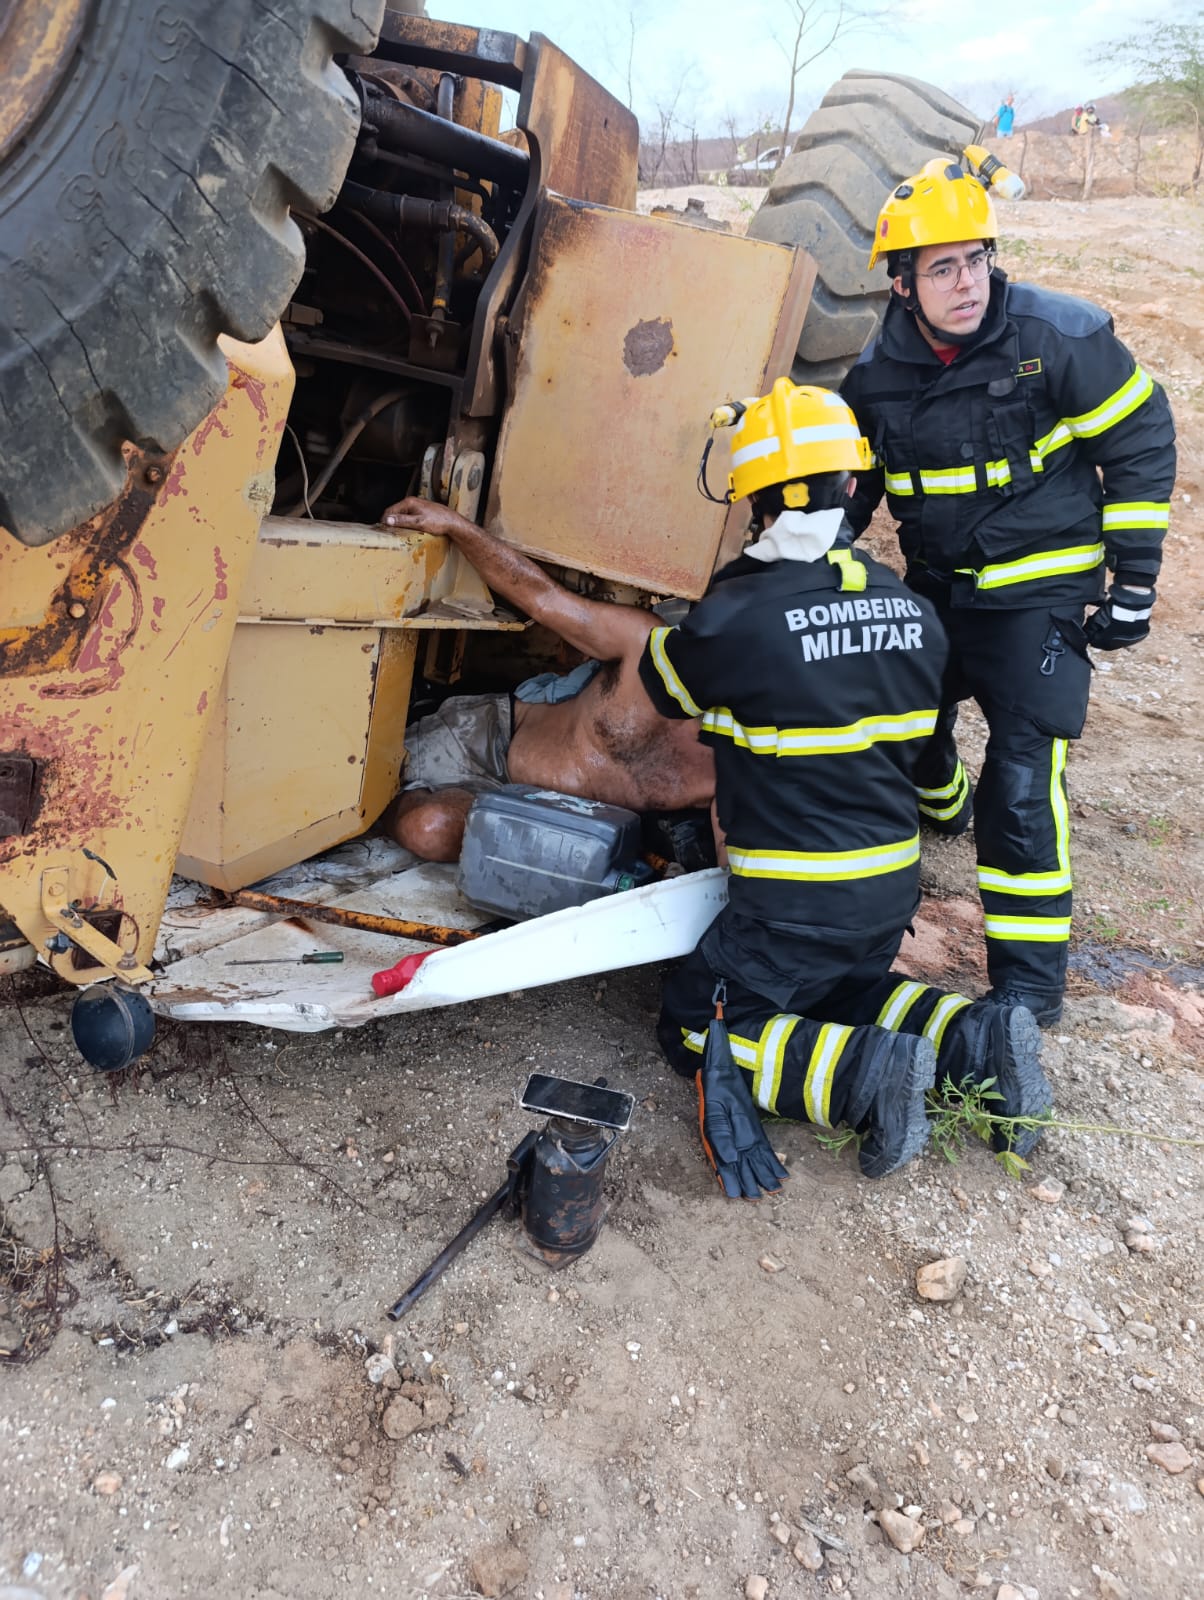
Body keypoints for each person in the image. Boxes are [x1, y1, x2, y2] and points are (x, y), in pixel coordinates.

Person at [639, 379, 1053, 1191]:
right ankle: (978, 1038)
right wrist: (954, 808)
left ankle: (865, 1079)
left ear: (751, 496)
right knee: (843, 988)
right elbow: (937, 774)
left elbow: (666, 688)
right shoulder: (912, 613)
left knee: (695, 1024)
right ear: (855, 487)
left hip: (792, 904)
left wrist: (726, 588)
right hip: (886, 894)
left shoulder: (736, 619)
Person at [840, 158, 1176, 1027]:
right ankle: (939, 796)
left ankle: (1029, 992)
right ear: (903, 283)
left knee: (1021, 789)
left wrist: (1135, 577)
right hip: (941, 593)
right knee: (899, 723)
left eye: (976, 260)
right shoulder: (874, 375)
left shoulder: (1055, 336)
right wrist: (817, 561)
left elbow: (1140, 437)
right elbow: (849, 488)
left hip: (1040, 596)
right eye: (942, 267)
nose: (967, 283)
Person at [376, 497, 715, 860]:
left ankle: (375, 818)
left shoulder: (737, 772)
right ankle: (371, 810)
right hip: (489, 739)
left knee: (428, 829)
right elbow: (543, 599)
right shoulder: (647, 648)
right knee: (361, 776)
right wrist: (456, 526)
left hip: (540, 825)